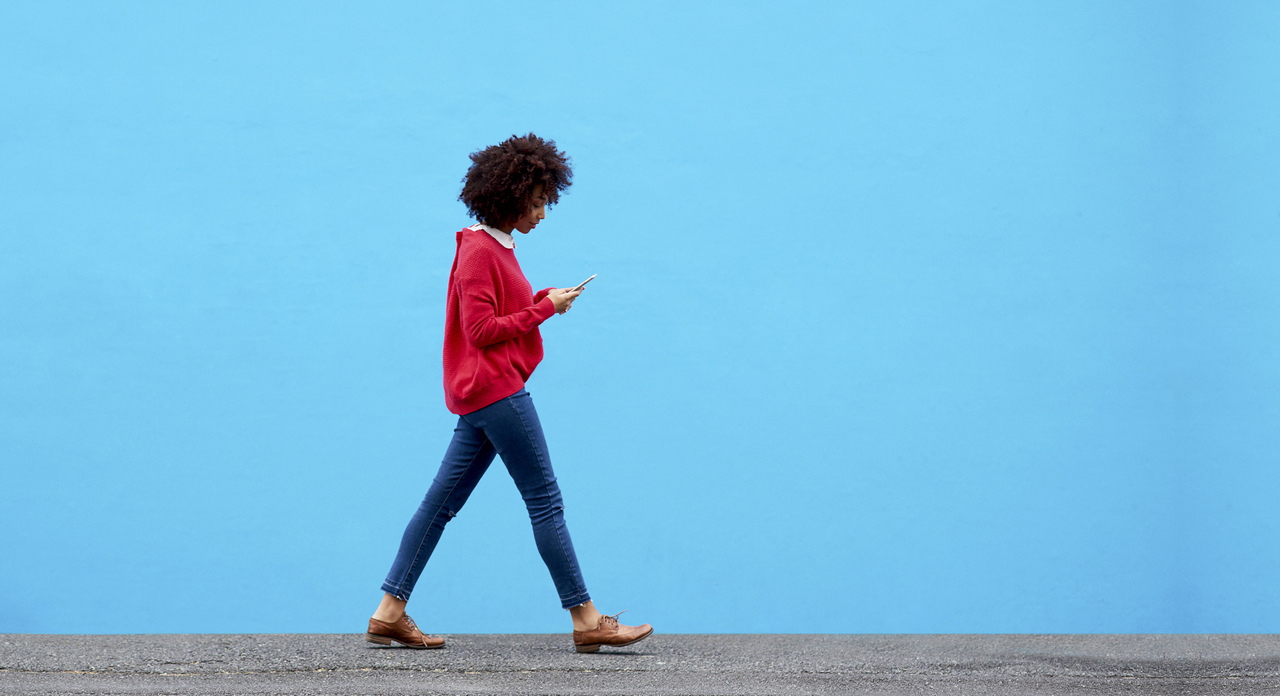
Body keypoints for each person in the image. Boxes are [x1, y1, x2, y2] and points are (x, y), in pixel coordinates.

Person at [366, 133, 653, 653]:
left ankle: (389, 611)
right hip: (498, 393)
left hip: (481, 395)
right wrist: (545, 310)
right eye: (539, 201)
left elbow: (499, 313)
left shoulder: (494, 246)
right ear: (511, 195)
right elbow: (481, 330)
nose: (544, 213)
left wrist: (545, 297)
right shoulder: (478, 250)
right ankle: (587, 620)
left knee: (439, 504)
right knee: (545, 501)